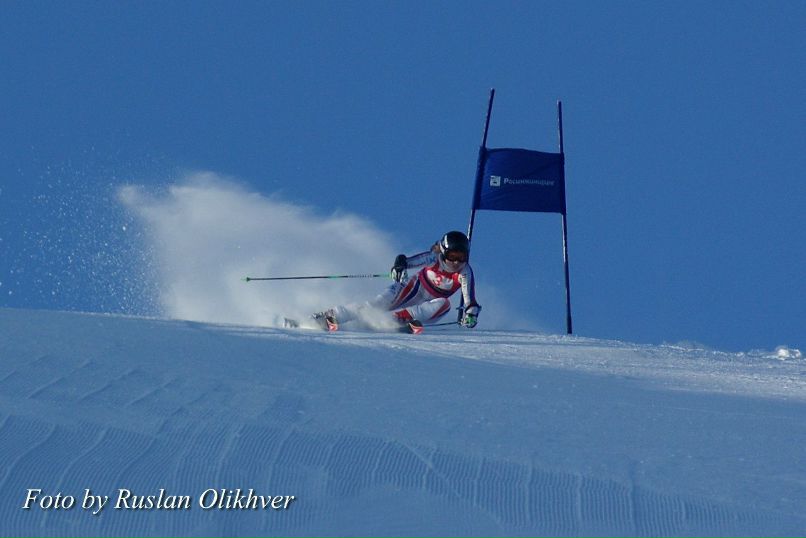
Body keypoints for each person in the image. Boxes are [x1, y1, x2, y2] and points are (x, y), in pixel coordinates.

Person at [313, 231, 481, 333]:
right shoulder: (433, 258)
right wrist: (399, 267)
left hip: (428, 304)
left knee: (444, 304)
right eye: (453, 256)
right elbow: (405, 261)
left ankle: (395, 320)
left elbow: (470, 300)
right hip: (412, 288)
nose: (457, 262)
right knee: (376, 304)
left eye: (461, 257)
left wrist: (470, 315)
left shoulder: (465, 272)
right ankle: (329, 316)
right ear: (444, 252)